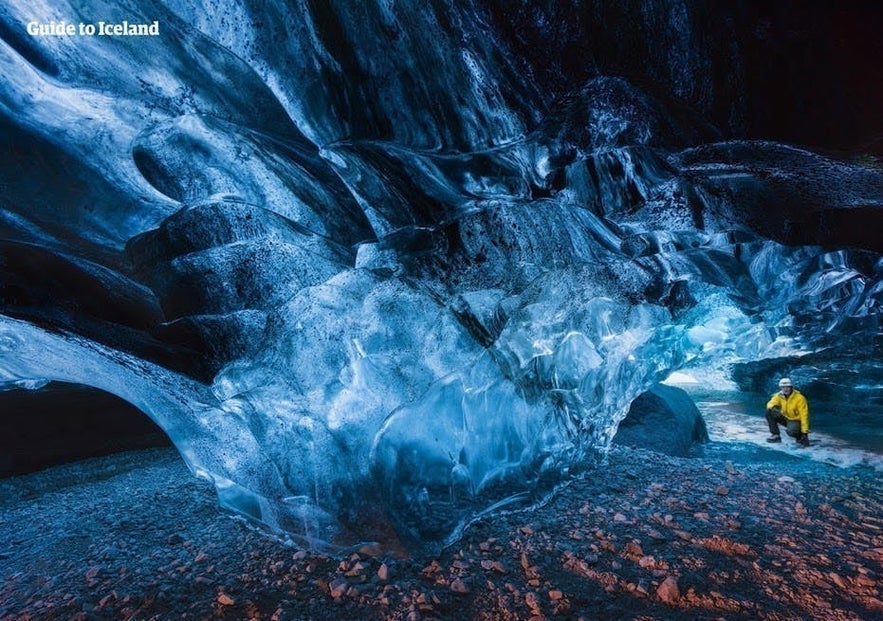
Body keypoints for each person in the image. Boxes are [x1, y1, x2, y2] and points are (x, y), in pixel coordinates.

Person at [765, 377, 810, 447]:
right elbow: (770, 403)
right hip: (786, 417)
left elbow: (804, 416)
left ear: (791, 387)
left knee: (791, 432)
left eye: (787, 387)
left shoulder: (800, 398)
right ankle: (776, 435)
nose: (785, 389)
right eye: (783, 387)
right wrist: (773, 407)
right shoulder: (779, 395)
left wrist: (805, 433)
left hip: (796, 420)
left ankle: (800, 436)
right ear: (781, 388)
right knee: (769, 412)